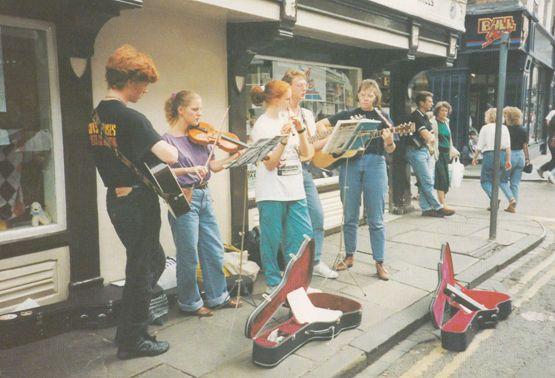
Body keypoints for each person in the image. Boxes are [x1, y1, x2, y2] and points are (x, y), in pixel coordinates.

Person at [87, 45, 177, 359]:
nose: (145, 88)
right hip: (138, 202)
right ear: (129, 80)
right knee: (143, 268)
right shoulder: (130, 116)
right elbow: (170, 155)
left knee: (151, 261)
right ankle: (133, 341)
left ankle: (128, 327)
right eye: (143, 82)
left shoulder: (96, 115)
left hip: (116, 199)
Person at [162, 90, 242, 317]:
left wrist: (232, 158)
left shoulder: (200, 137)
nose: (200, 114)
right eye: (195, 109)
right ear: (181, 110)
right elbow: (162, 173)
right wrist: (186, 173)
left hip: (205, 196)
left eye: (200, 109)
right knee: (188, 254)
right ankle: (190, 302)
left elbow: (213, 167)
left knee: (213, 249)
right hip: (184, 198)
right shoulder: (167, 141)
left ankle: (218, 296)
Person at [315, 79, 395, 281]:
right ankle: (349, 255)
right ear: (357, 95)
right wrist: (325, 130)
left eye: (370, 95)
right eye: (363, 94)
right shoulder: (347, 116)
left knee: (376, 217)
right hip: (349, 165)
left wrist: (389, 140)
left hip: (375, 164)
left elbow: (391, 149)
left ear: (376, 97)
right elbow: (320, 125)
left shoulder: (382, 117)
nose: (366, 99)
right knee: (350, 213)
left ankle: (380, 261)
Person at [250, 80, 313, 293]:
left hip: (295, 188)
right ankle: (273, 283)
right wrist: (284, 140)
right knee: (271, 238)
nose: (290, 102)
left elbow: (307, 154)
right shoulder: (262, 125)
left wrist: (301, 130)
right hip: (271, 191)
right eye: (287, 99)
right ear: (276, 99)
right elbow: (269, 163)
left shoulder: (288, 118)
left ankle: (295, 281)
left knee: (301, 237)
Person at [281, 69, 337, 279]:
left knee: (317, 215)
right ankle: (289, 266)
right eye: (299, 85)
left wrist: (334, 136)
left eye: (306, 85)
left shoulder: (307, 114)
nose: (304, 88)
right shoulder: (279, 113)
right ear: (288, 87)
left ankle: (315, 261)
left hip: (303, 171)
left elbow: (312, 146)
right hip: (283, 172)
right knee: (288, 222)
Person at [406, 91, 454, 217]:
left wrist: (431, 140)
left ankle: (426, 208)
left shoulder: (424, 116)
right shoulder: (416, 116)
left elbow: (432, 136)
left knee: (424, 181)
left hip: (424, 150)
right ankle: (438, 207)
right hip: (416, 151)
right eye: (429, 101)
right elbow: (429, 136)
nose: (432, 103)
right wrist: (430, 138)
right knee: (427, 181)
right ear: (421, 103)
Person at [472, 108, 512, 209]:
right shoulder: (504, 128)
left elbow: (480, 145)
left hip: (489, 154)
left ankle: (494, 199)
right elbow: (508, 147)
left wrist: (475, 157)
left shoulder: (485, 128)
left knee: (485, 181)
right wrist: (508, 160)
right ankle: (493, 204)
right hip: (502, 154)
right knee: (496, 180)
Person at [430, 101, 459, 213]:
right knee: (441, 178)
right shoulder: (433, 122)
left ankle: (441, 201)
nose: (444, 112)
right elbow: (432, 137)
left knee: (446, 179)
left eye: (446, 110)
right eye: (442, 110)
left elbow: (449, 140)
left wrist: (453, 150)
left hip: (446, 154)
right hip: (438, 154)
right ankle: (442, 203)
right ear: (437, 111)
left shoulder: (446, 123)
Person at [503, 107, 529, 212]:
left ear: (508, 117)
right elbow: (525, 146)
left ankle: (511, 199)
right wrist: (527, 159)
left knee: (502, 180)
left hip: (509, 156)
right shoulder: (523, 130)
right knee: (515, 183)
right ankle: (513, 207)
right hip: (520, 156)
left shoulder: (505, 129)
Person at [537, 114, 555, 183]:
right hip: (553, 140)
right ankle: (545, 171)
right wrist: (554, 138)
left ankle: (547, 173)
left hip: (552, 139)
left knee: (554, 159)